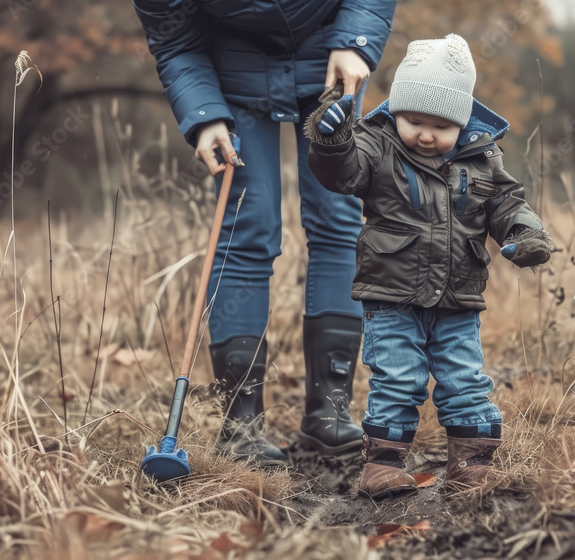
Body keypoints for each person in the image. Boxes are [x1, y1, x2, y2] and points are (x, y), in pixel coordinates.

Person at [132, 1, 399, 466]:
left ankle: (329, 411)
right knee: (246, 227)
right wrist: (204, 114)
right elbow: (175, 40)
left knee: (337, 216)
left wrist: (355, 42)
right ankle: (242, 424)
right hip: (233, 75)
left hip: (329, 56)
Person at [305, 34, 553, 498]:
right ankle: (382, 463)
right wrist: (332, 137)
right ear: (395, 111)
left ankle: (471, 466)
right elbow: (341, 171)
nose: (423, 133)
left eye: (439, 125)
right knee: (398, 378)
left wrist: (525, 233)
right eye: (412, 119)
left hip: (458, 298)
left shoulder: (483, 159)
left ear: (462, 121)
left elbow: (506, 203)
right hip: (391, 295)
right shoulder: (378, 149)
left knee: (465, 379)